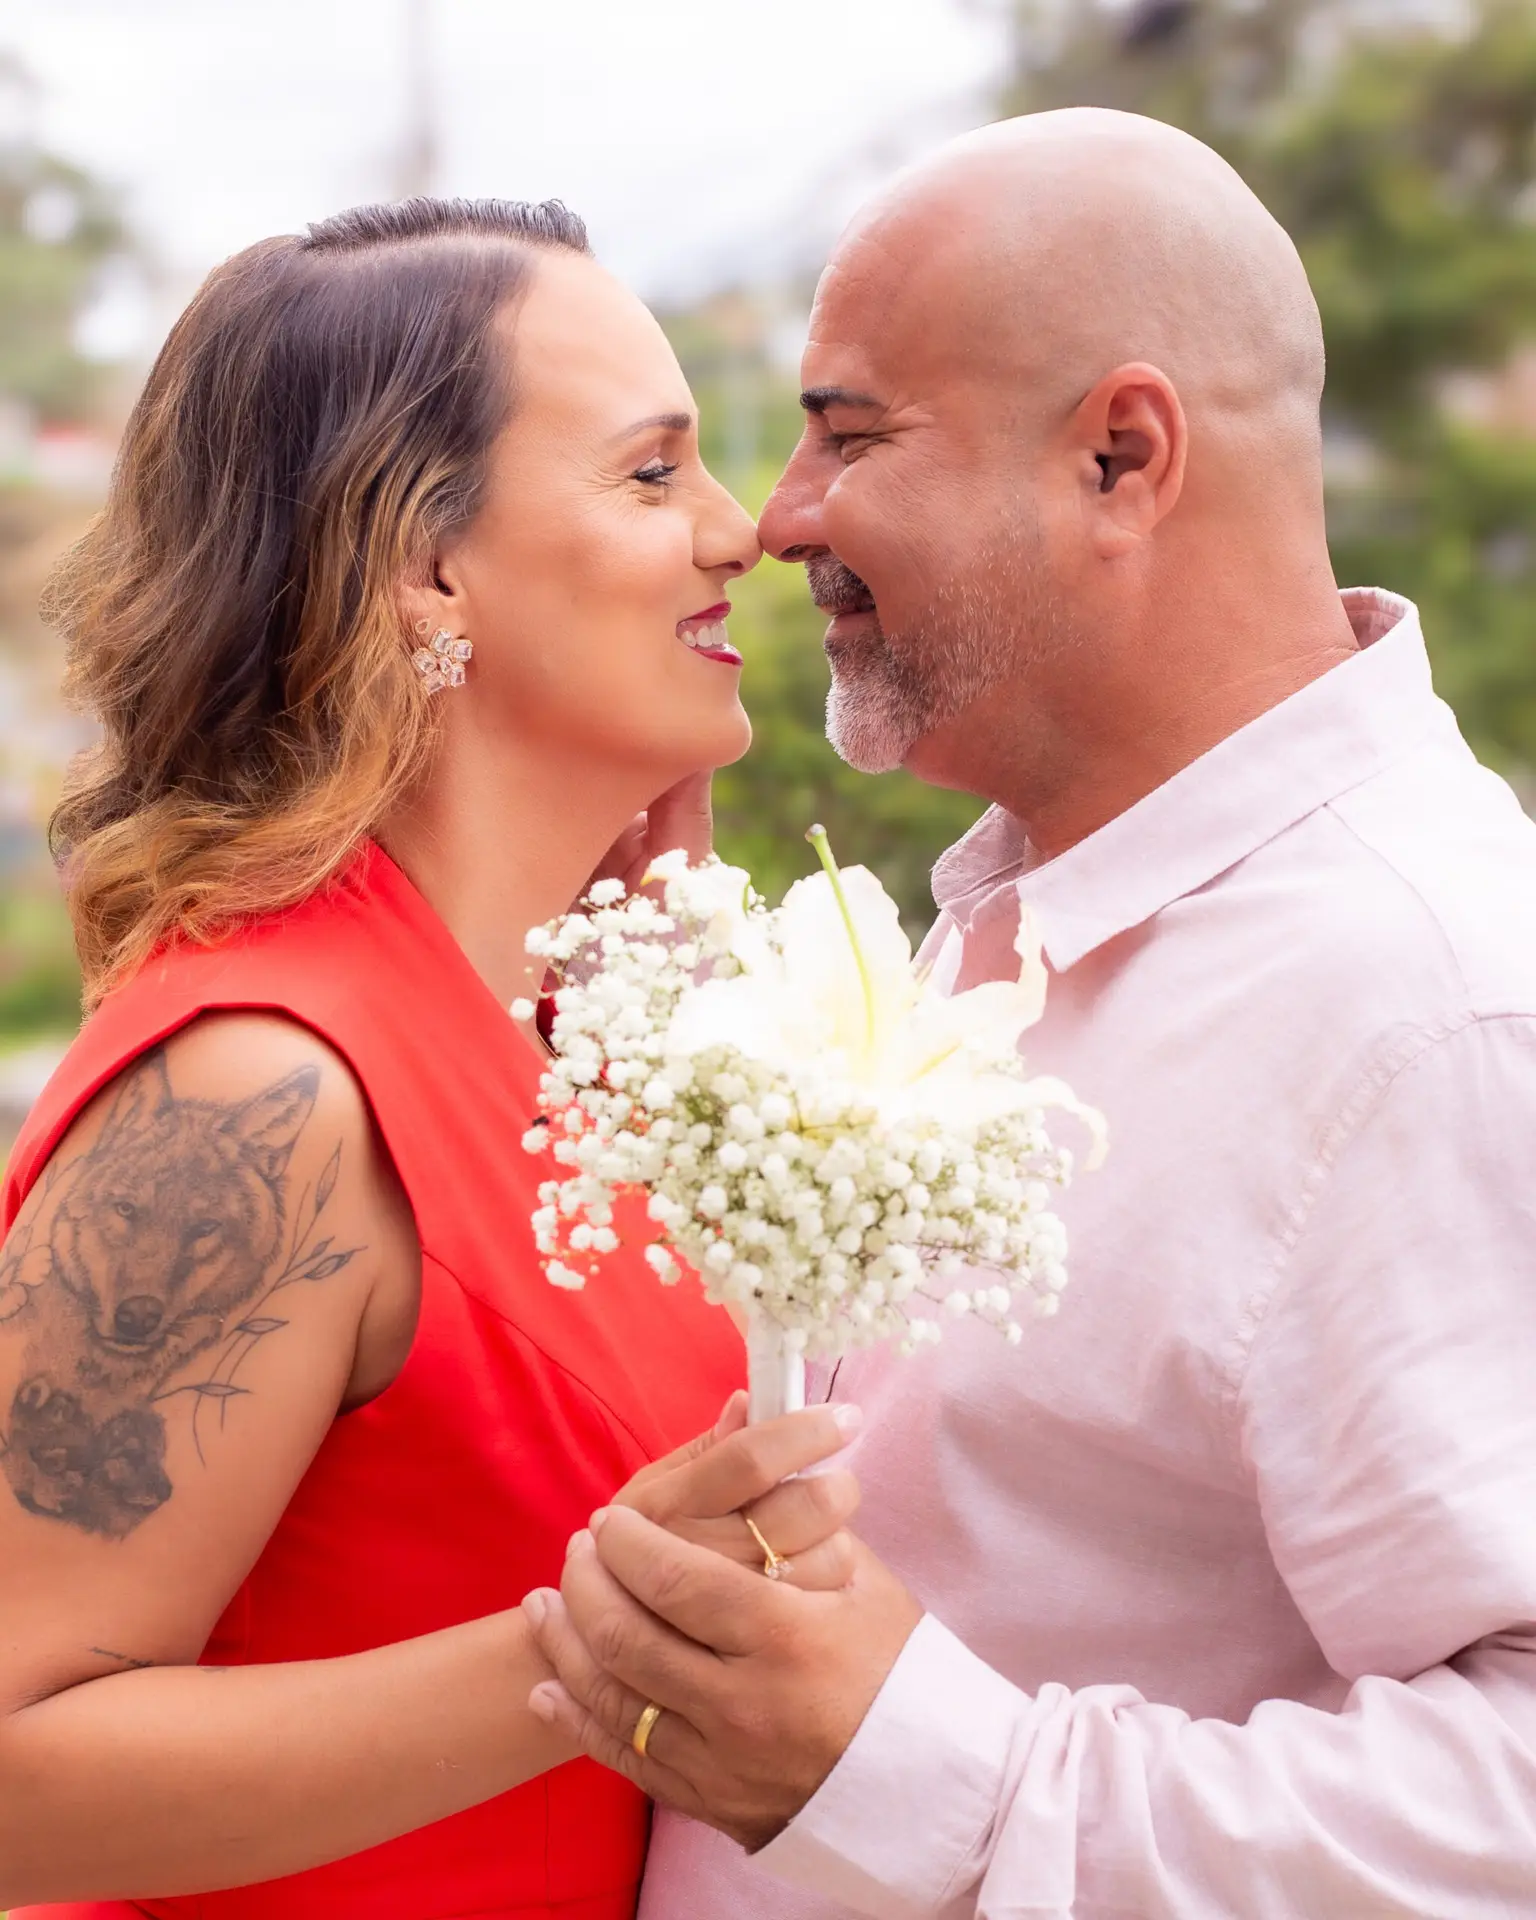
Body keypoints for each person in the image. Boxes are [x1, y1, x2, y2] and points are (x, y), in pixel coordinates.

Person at [524, 110, 1536, 1917]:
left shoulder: (1434, 999)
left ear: (1121, 461)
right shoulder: (1048, 905)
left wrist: (936, 1784)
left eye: (849, 431)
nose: (778, 520)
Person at [0, 196, 861, 1920]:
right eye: (647, 473)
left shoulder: (570, 1034)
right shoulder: (258, 1087)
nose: (737, 531)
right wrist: (599, 1654)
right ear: (425, 565)